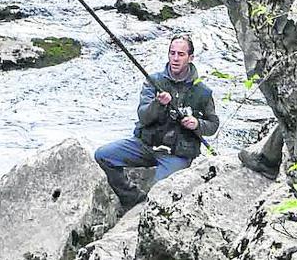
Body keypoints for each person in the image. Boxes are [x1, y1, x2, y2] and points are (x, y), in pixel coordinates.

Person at [94, 33, 220, 211]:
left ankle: (145, 205)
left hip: (176, 154)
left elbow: (213, 125)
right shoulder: (153, 82)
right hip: (145, 145)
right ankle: (131, 198)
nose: (175, 58)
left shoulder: (202, 92)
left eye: (181, 54)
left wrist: (197, 124)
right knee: (102, 155)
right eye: (172, 53)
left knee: (157, 195)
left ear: (191, 58)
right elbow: (143, 116)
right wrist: (157, 104)